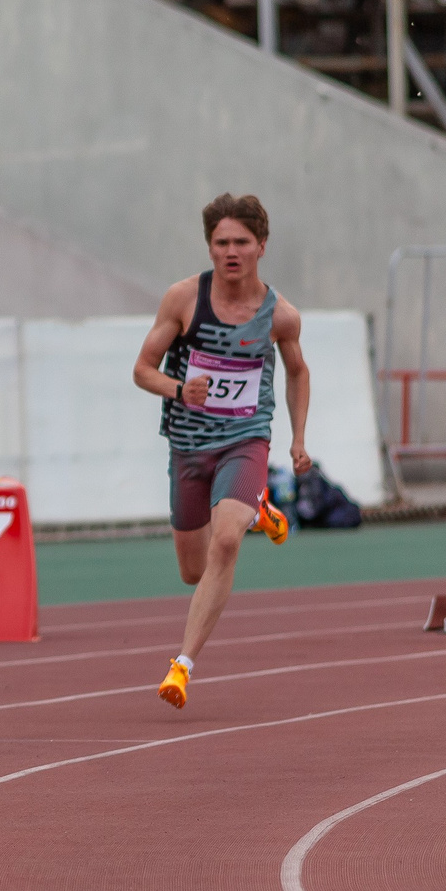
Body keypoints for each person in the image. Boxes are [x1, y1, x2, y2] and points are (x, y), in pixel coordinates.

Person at [131, 193, 311, 710]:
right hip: (189, 445)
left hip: (245, 438)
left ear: (261, 247)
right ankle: (259, 508)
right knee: (193, 571)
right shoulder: (184, 299)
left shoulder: (281, 315)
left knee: (226, 543)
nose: (230, 252)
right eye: (220, 243)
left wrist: (298, 438)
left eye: (240, 243)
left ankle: (182, 665)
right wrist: (177, 388)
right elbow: (142, 369)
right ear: (209, 247)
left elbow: (297, 371)